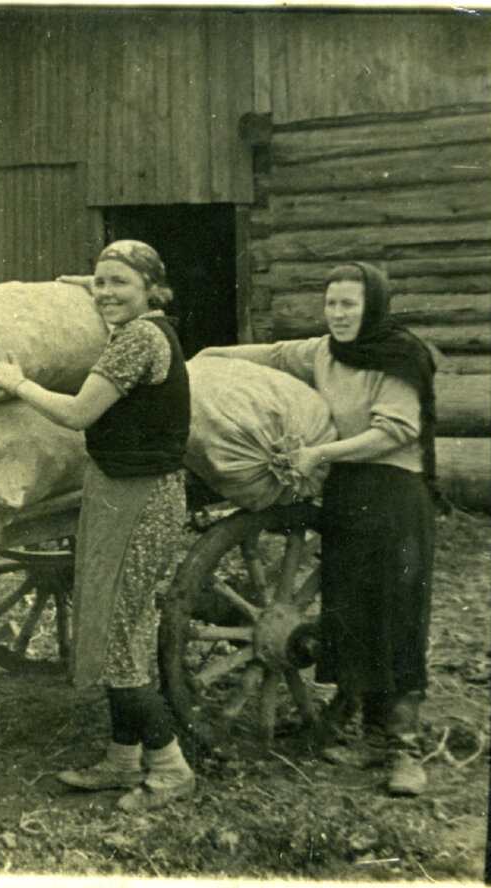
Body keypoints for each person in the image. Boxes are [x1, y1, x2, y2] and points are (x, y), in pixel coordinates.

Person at [194, 261, 436, 797]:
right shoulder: (325, 351)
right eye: (332, 304)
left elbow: (396, 431)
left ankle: (403, 744)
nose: (339, 314)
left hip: (396, 497)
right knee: (347, 607)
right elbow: (272, 355)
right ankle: (349, 713)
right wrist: (205, 358)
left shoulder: (400, 354)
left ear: (373, 305)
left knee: (395, 614)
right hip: (349, 495)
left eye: (350, 304)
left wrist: (318, 452)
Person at [0, 239, 195, 811]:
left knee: (119, 640)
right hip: (117, 493)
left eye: (120, 283)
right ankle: (123, 759)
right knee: (109, 626)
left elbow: (79, 413)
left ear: (152, 289)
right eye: (99, 283)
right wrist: (84, 283)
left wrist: (17, 382)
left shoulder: (141, 339)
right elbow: (102, 287)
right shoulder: (144, 328)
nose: (105, 293)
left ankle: (171, 769)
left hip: (142, 500)